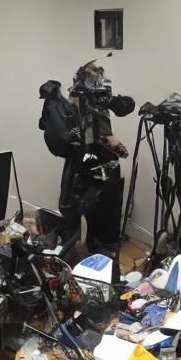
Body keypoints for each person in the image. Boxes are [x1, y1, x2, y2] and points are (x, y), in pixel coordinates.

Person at [58, 62, 128, 254]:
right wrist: (109, 139)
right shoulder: (77, 95)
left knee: (104, 201)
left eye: (95, 75)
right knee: (83, 200)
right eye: (89, 75)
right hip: (84, 154)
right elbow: (82, 123)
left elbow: (109, 113)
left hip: (100, 154)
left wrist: (109, 139)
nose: (94, 79)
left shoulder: (100, 94)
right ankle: (87, 245)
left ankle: (103, 246)